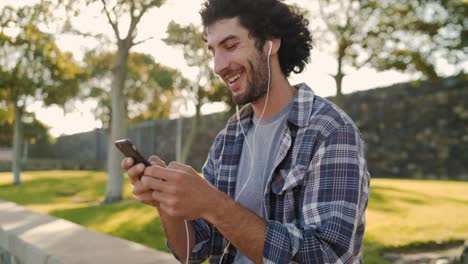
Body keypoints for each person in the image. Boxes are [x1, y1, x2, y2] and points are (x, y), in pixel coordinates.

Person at [122, 0, 370, 263]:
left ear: (270, 43)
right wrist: (167, 203)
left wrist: (214, 204)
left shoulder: (329, 131)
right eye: (213, 51)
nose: (218, 66)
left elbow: (326, 255)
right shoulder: (229, 138)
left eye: (230, 46)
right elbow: (192, 251)